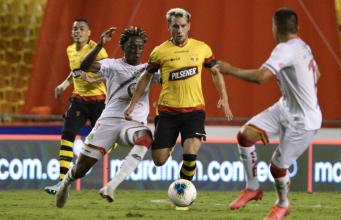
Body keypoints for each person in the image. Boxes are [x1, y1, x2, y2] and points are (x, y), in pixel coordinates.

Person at [217, 8, 322, 220]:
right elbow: (317, 74)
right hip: (285, 107)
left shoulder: (284, 49)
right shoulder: (303, 45)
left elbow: (260, 77)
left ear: (275, 28)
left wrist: (230, 70)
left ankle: (283, 204)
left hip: (303, 121)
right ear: (296, 27)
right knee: (245, 136)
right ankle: (252, 188)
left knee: (277, 166)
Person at [124, 8, 233, 186]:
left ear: (189, 25)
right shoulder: (160, 52)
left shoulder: (201, 48)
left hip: (194, 110)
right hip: (168, 112)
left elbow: (215, 72)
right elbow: (146, 77)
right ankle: (171, 142)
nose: (180, 30)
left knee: (190, 153)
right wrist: (131, 105)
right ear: (169, 27)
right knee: (159, 160)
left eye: (183, 26)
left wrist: (224, 98)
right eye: (175, 26)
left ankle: (183, 190)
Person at [55, 26, 158, 207]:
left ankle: (111, 185)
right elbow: (84, 66)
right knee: (81, 169)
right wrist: (100, 45)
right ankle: (65, 183)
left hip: (132, 123)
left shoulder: (149, 69)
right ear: (123, 47)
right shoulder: (112, 64)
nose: (137, 51)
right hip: (109, 121)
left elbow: (171, 78)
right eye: (132, 46)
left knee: (146, 138)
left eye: (140, 47)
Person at [45, 18, 108, 195]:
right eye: (74, 29)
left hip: (98, 101)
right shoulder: (70, 50)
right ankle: (62, 182)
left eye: (81, 29)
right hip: (79, 99)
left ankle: (92, 166)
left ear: (89, 33)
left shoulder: (97, 49)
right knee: (67, 135)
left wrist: (93, 79)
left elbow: (110, 73)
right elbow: (75, 72)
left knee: (106, 141)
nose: (77, 31)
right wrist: (63, 86)